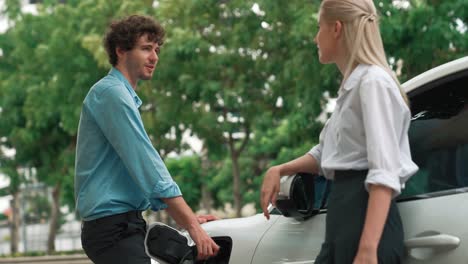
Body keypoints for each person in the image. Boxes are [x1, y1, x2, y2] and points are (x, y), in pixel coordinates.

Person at [260, 0, 418, 263]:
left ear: (336, 28)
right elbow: (327, 155)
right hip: (342, 222)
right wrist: (279, 169)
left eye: (318, 27)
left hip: (364, 223)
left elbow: (384, 171)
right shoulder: (354, 86)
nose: (315, 37)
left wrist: (367, 250)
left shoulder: (373, 83)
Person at [75, 15, 219, 264]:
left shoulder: (122, 95)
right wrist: (192, 225)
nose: (154, 57)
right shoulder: (110, 93)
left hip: (128, 224)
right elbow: (149, 166)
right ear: (121, 50)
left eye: (156, 49)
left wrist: (190, 219)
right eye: (145, 49)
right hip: (111, 230)